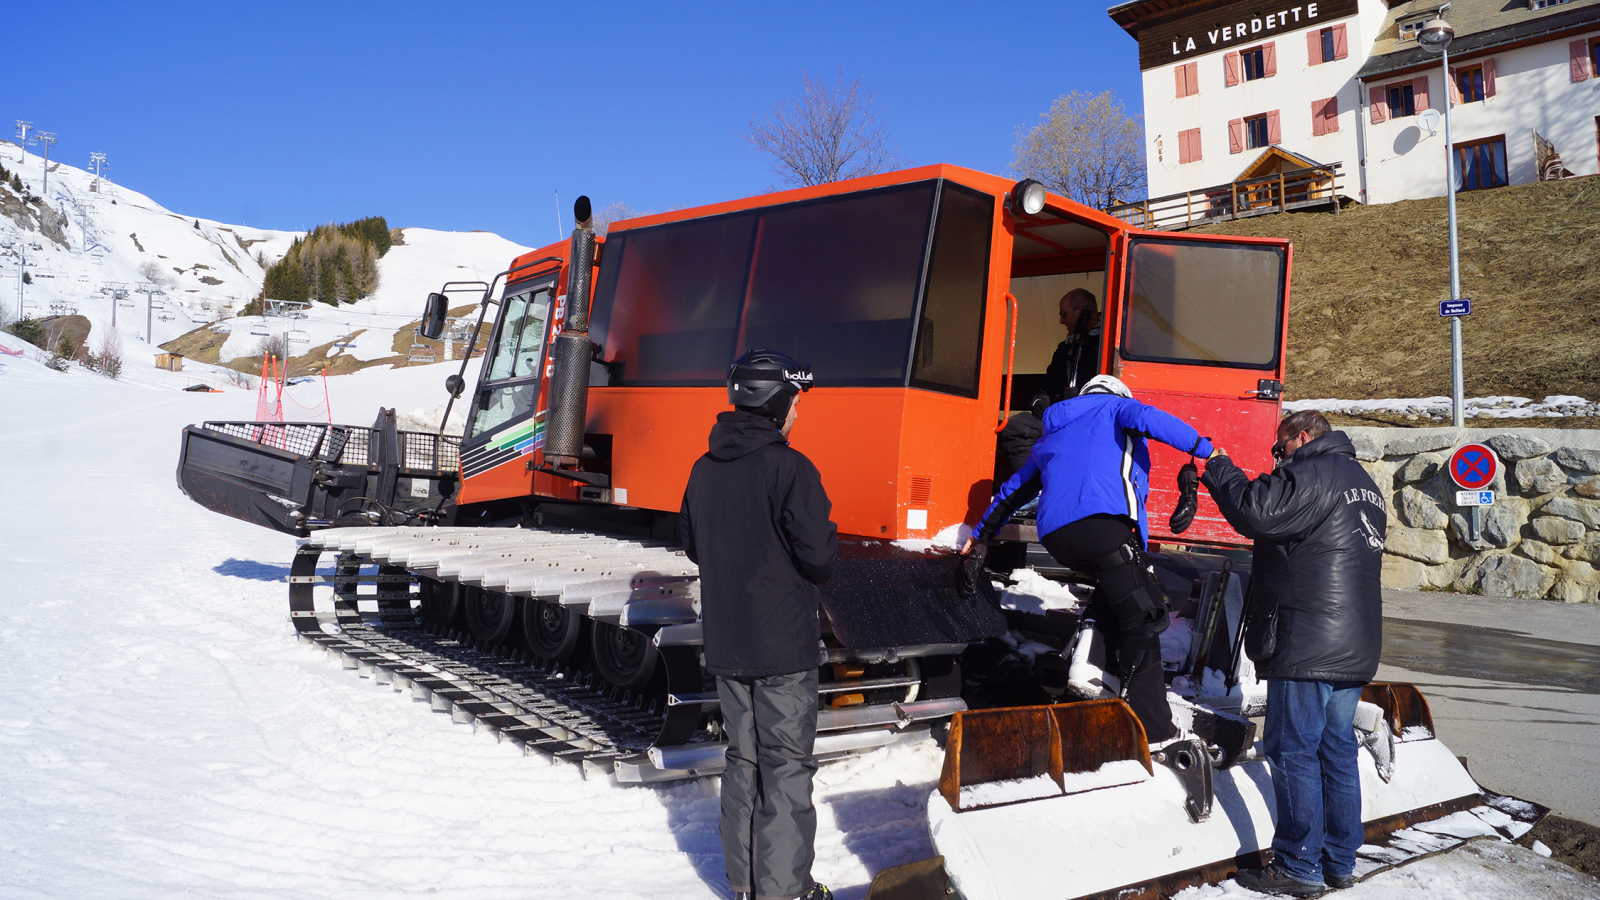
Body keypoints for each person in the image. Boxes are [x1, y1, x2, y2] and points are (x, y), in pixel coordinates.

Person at [961, 374, 1211, 746]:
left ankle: (1094, 676)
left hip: (1059, 540)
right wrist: (1204, 448)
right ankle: (1156, 730)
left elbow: (1014, 491)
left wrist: (980, 538)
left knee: (1115, 595)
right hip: (1103, 529)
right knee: (1143, 620)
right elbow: (1154, 420)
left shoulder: (1053, 433)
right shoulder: (1117, 407)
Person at [1199, 411, 1385, 897]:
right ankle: (1340, 861)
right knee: (1337, 748)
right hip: (1355, 641)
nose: (1277, 460)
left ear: (1302, 437)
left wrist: (1219, 467)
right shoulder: (1364, 483)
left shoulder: (1313, 470)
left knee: (1293, 748)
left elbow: (1255, 511)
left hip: (1309, 636)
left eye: (1279, 451)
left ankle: (1298, 866)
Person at [679, 349, 839, 900]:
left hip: (727, 642)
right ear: (777, 401)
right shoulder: (790, 468)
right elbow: (820, 557)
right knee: (787, 766)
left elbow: (694, 546)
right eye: (795, 400)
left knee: (742, 760)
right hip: (784, 650)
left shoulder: (703, 469)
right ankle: (785, 891)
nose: (798, 412)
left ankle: (745, 886)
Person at [1043, 288, 1101, 401]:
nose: (1061, 321)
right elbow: (1050, 381)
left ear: (1080, 311)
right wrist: (1041, 397)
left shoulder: (1107, 345)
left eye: (1063, 314)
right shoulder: (1065, 348)